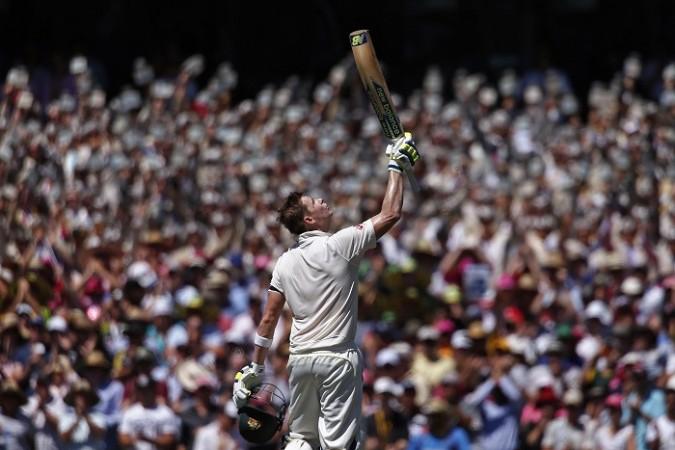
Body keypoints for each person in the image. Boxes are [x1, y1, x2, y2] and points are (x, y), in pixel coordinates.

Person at [233, 133, 421, 450]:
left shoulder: (283, 262)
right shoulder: (339, 245)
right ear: (309, 219)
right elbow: (390, 214)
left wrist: (256, 366)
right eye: (314, 202)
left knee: (300, 439)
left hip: (300, 361)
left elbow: (268, 320)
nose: (322, 201)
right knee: (340, 444)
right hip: (336, 359)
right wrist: (395, 166)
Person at [57, 380, 106, 450]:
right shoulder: (66, 417)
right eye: (78, 396)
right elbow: (64, 438)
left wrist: (86, 416)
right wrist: (77, 420)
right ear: (73, 398)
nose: (82, 399)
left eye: (84, 396)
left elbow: (99, 435)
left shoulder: (98, 415)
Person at [406, 398, 470, 450]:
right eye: (430, 416)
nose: (433, 420)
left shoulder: (457, 435)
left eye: (437, 416)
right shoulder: (419, 437)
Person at [646, 375, 675, 450]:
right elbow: (652, 447)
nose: (670, 399)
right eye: (668, 395)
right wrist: (658, 435)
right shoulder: (656, 423)